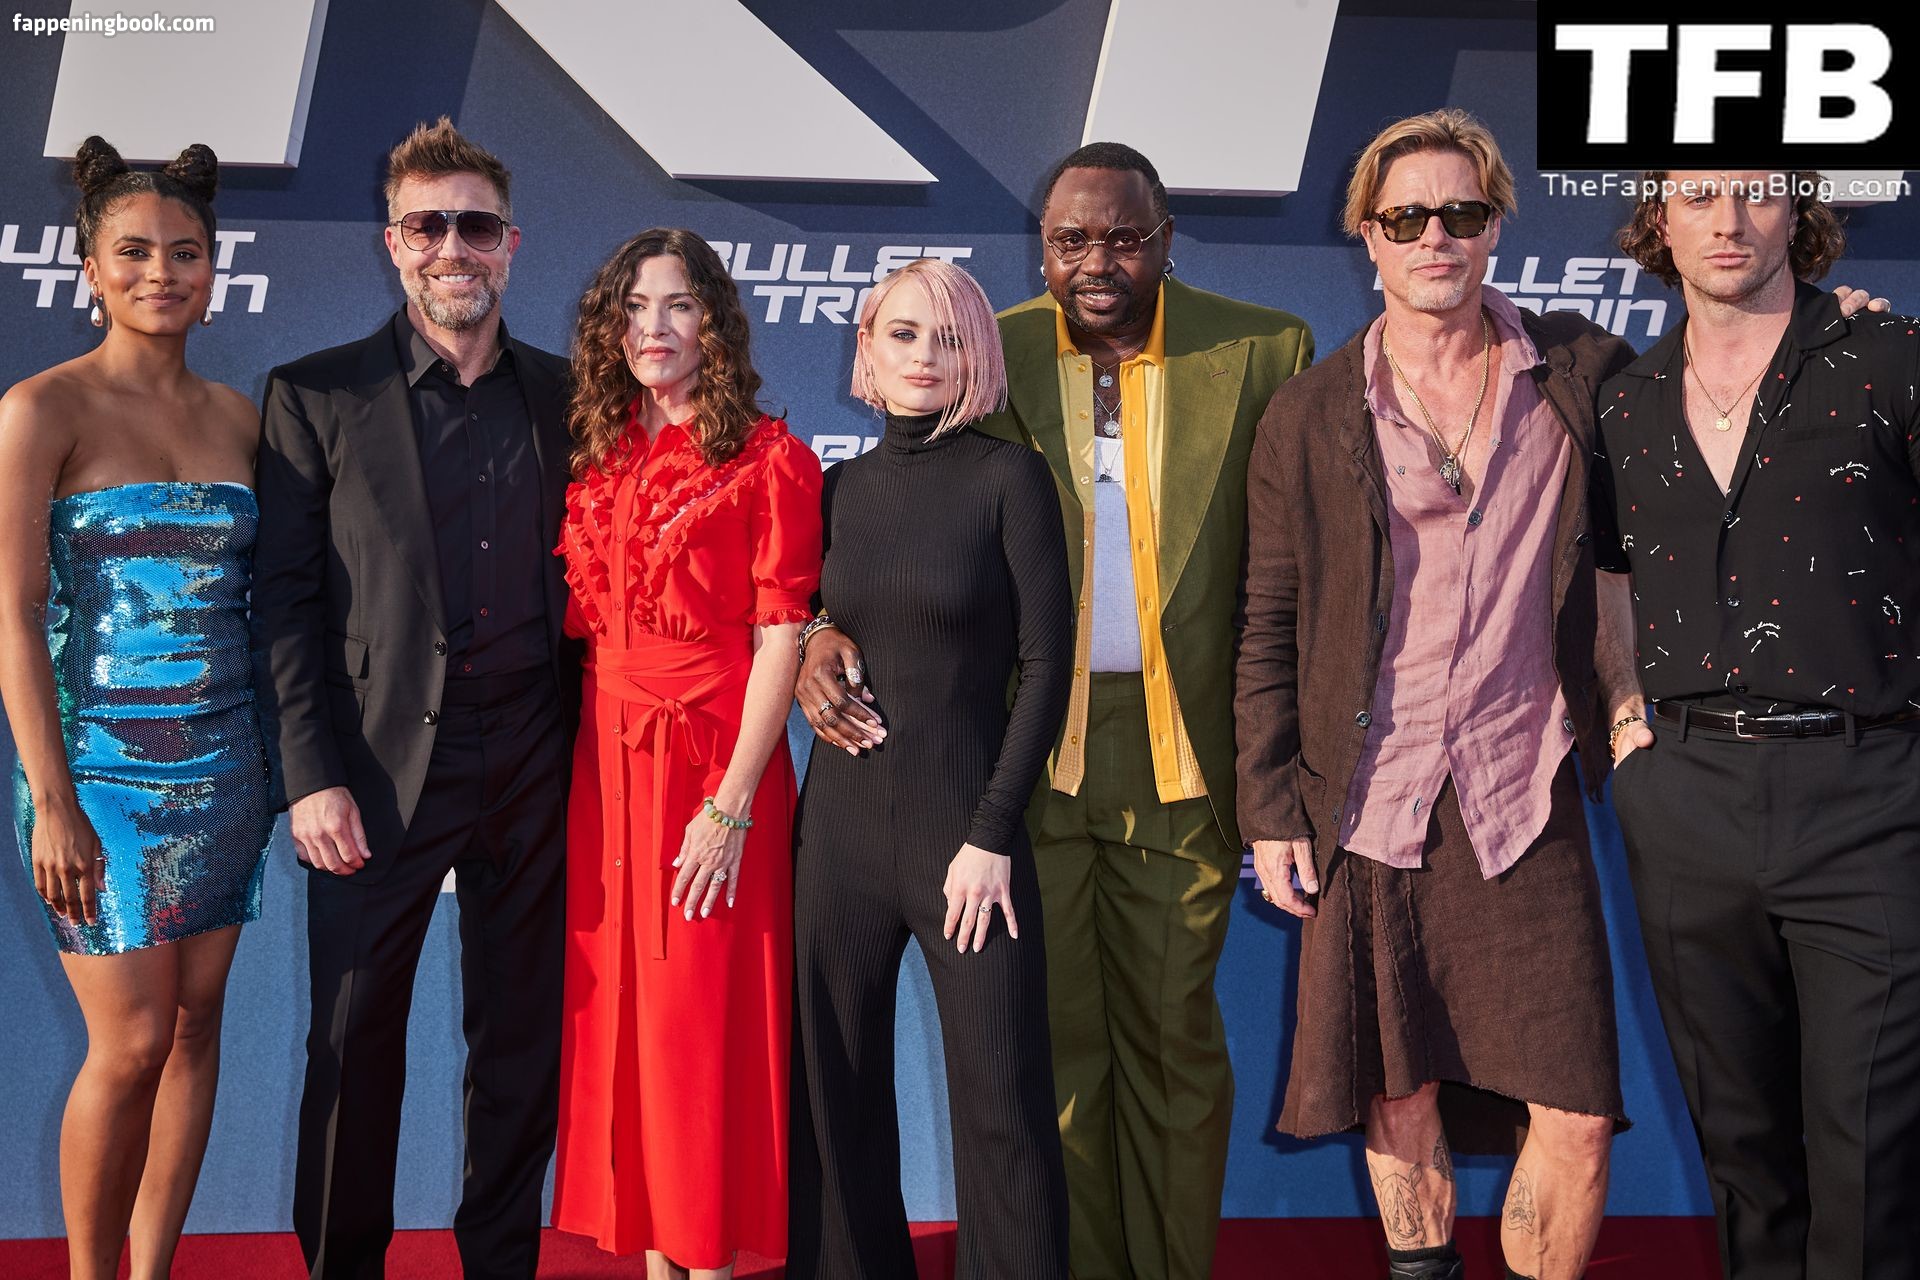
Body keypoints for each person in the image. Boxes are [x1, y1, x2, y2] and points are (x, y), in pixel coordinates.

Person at [800, 142, 1313, 1280]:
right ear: (1041, 248)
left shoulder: (1262, 349)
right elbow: (890, 533)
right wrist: (815, 631)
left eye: (1123, 237)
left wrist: (1282, 773)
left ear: (1166, 240)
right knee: (1047, 1058)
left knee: (1175, 1047)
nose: (1096, 262)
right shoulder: (992, 342)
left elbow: (1286, 581)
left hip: (1181, 755)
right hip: (1018, 766)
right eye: (1071, 239)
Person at [1235, 110, 1635, 1280]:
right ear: (1368, 235)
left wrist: (1826, 316)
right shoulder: (1310, 412)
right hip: (1373, 790)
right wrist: (1270, 804)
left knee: (1575, 1109)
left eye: (1460, 213)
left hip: (1525, 789)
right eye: (1406, 217)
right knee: (1397, 1089)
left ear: (1496, 225)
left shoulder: (1583, 373)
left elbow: (1718, 387)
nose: (1435, 238)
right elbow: (1267, 621)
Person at [250, 117, 577, 1280]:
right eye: (427, 225)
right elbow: (284, 603)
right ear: (392, 242)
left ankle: (501, 1263)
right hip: (375, 775)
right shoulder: (315, 394)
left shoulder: (572, 398)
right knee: (352, 1044)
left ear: (511, 244)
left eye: (475, 226)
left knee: (522, 1047)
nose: (453, 247)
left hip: (539, 766)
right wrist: (309, 777)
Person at [1594, 171, 1920, 1280]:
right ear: (1660, 218)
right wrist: (1624, 715)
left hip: (1868, 794)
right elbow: (1610, 571)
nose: (1728, 223)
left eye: (1757, 194)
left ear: (1799, 212)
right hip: (1687, 799)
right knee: (1742, 1156)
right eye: (1699, 197)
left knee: (1871, 1156)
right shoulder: (1626, 397)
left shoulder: (1888, 358)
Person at [0, 136, 271, 1280]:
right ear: (91, 270)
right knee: (132, 1038)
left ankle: (152, 1270)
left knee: (196, 1028)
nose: (162, 271)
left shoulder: (242, 418)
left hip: (227, 765)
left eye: (185, 251)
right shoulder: (40, 408)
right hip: (97, 770)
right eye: (135, 251)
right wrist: (52, 797)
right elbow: (15, 615)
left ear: (213, 268)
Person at [788, 259, 1073, 1279]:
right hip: (838, 841)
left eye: (948, 338)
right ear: (865, 345)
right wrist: (814, 632)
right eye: (903, 333)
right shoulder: (834, 491)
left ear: (978, 356)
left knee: (1004, 1108)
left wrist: (992, 833)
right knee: (834, 1103)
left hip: (968, 841)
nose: (923, 356)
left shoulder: (1010, 479)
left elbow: (1048, 664)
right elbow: (792, 615)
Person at [549, 227, 821, 1280]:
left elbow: (780, 638)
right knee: (628, 1025)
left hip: (711, 767)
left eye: (676, 304)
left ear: (715, 322)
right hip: (608, 772)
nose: (651, 327)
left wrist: (732, 803)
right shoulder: (602, 452)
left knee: (698, 1028)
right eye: (632, 307)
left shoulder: (770, 457)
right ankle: (661, 1261)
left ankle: (709, 1264)